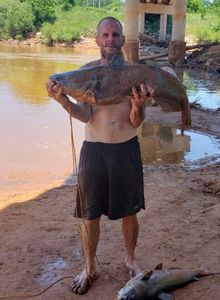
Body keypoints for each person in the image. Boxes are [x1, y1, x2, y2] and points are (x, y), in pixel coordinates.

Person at [46, 16, 148, 295]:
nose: (110, 39)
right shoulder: (86, 73)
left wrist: (138, 105)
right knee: (89, 215)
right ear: (97, 39)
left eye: (115, 34)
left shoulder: (134, 74)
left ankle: (130, 260)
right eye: (105, 34)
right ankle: (89, 267)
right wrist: (63, 100)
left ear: (122, 40)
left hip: (126, 148)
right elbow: (85, 114)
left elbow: (137, 121)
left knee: (130, 212)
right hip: (94, 151)